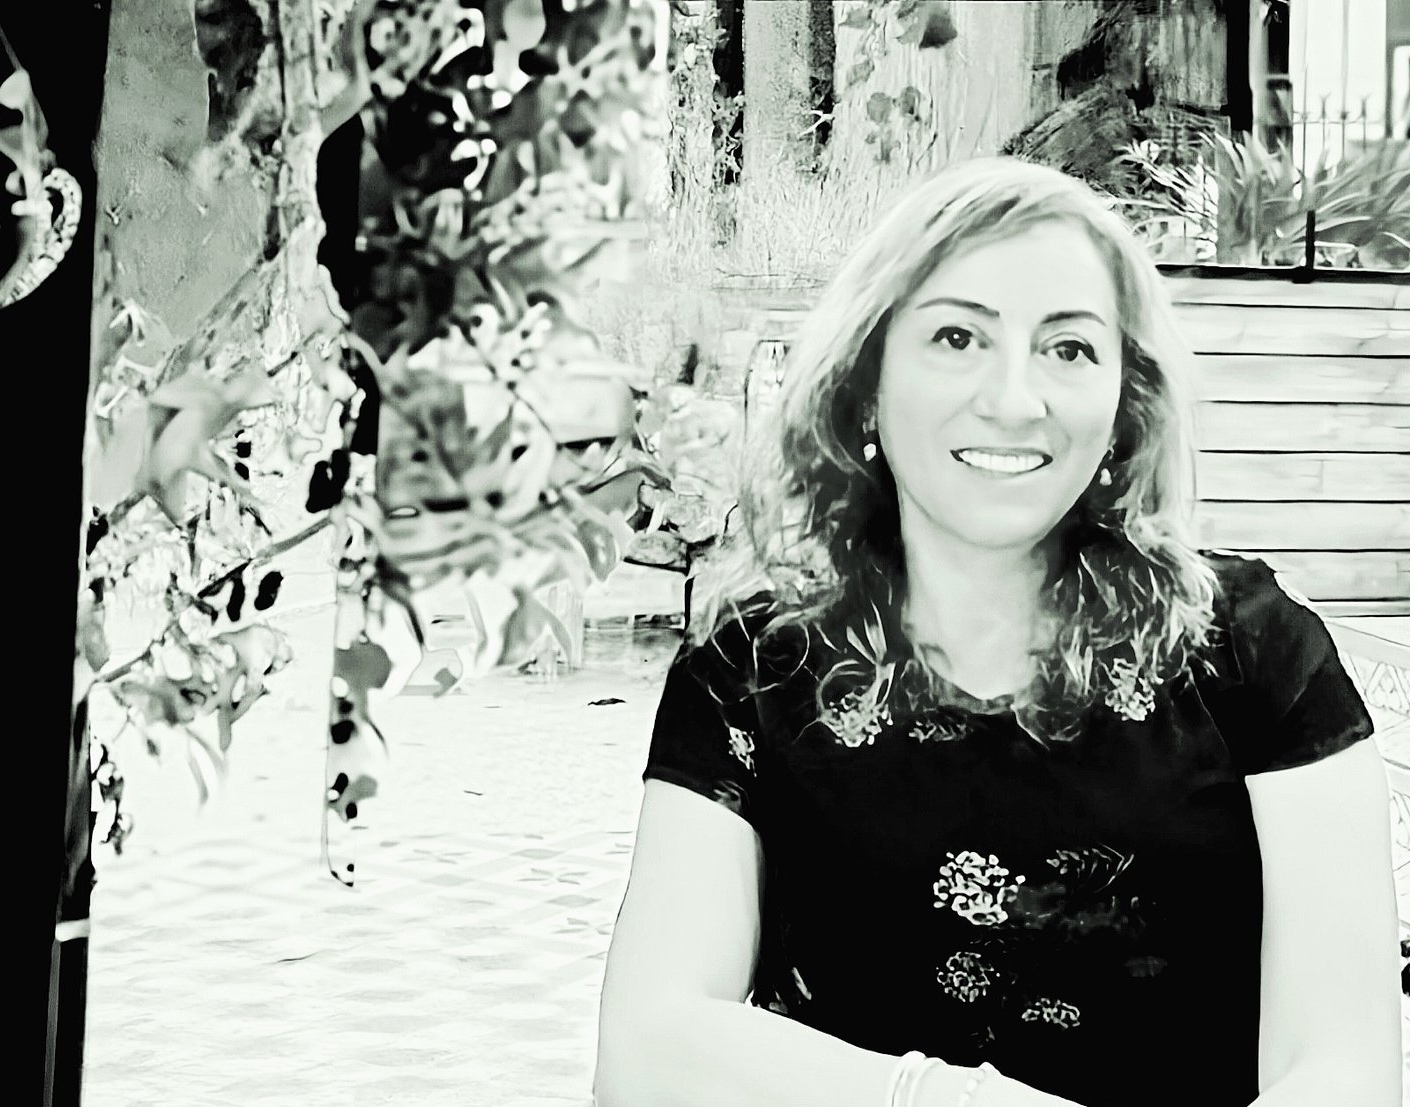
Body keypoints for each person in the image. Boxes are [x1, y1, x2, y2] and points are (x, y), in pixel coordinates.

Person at [593, 156, 1403, 1107]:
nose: (1016, 399)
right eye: (957, 336)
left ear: (1124, 404)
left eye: (1070, 348)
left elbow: (1347, 1069)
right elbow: (648, 1052)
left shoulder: (1254, 650)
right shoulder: (753, 668)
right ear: (866, 380)